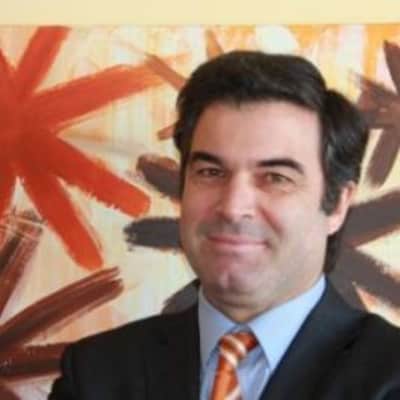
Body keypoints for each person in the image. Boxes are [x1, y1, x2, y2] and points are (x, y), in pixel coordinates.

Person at [49, 51, 400, 400]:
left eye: (275, 178)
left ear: (337, 204)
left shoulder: (389, 376)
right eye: (211, 172)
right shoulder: (95, 375)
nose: (233, 207)